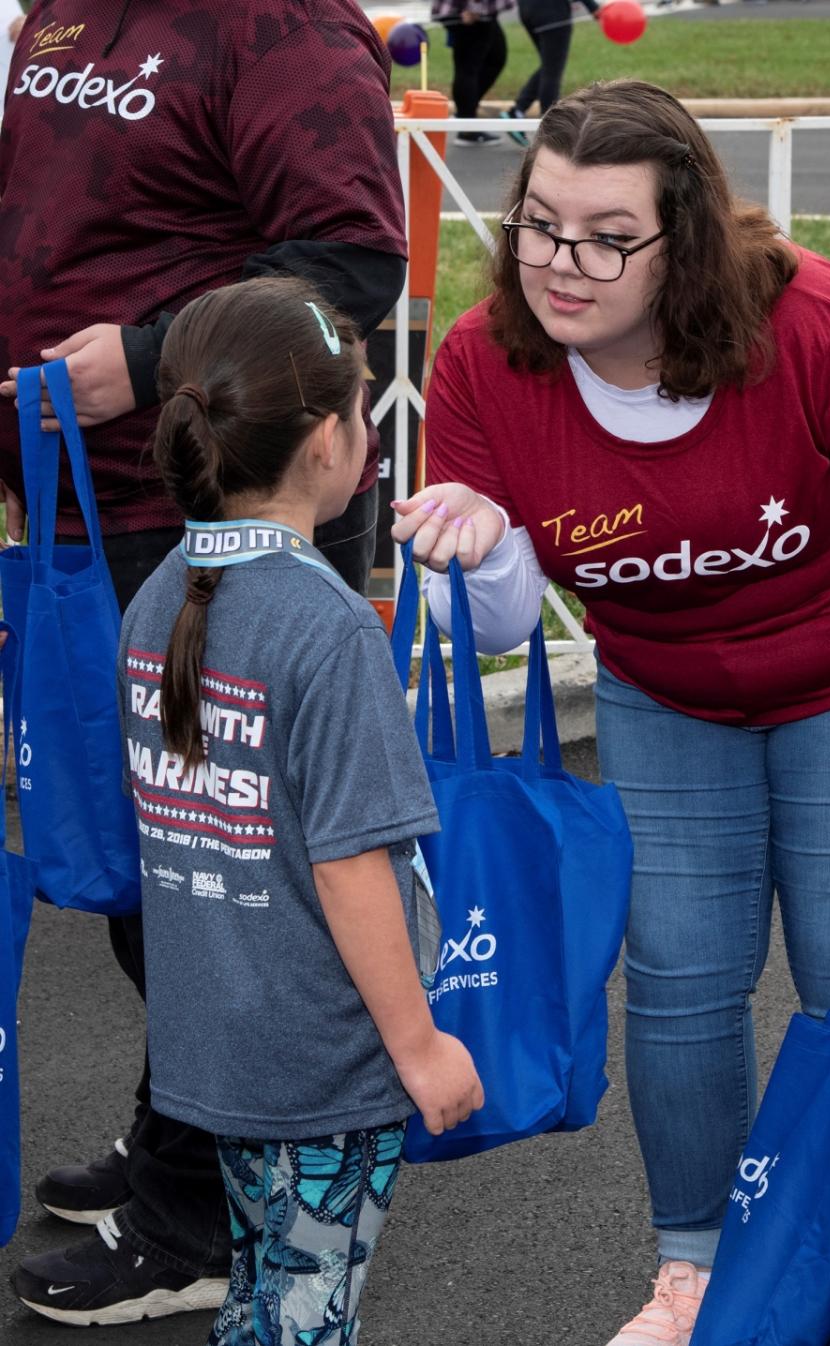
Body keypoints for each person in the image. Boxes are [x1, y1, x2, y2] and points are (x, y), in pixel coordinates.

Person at [391, 79, 830, 1346]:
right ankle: (698, 1275)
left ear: (688, 239)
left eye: (609, 235)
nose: (563, 263)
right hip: (663, 691)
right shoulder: (485, 364)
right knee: (676, 980)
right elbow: (497, 626)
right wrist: (487, 544)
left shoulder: (814, 326)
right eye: (540, 224)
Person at [0, 0, 408, 1326]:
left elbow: (350, 263)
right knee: (151, 871)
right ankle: (185, 1140)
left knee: (216, 871)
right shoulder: (65, 10)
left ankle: (202, 1218)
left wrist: (138, 353)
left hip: (210, 509)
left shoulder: (278, 20)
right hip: (83, 513)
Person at [121, 276, 482, 1345]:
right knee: (304, 1316)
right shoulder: (327, 628)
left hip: (216, 1048)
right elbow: (350, 864)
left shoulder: (161, 593)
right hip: (320, 1065)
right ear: (328, 440)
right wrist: (417, 1046)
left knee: (266, 1299)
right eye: (364, 407)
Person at [499, 0, 600, 147]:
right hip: (552, 12)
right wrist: (593, 7)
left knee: (549, 65)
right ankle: (550, 131)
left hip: (528, 10)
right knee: (552, 71)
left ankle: (517, 112)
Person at [431, 0, 515, 146]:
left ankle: (465, 113)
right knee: (468, 68)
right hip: (471, 14)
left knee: (496, 58)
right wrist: (476, 7)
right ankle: (467, 128)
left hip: (481, 14)